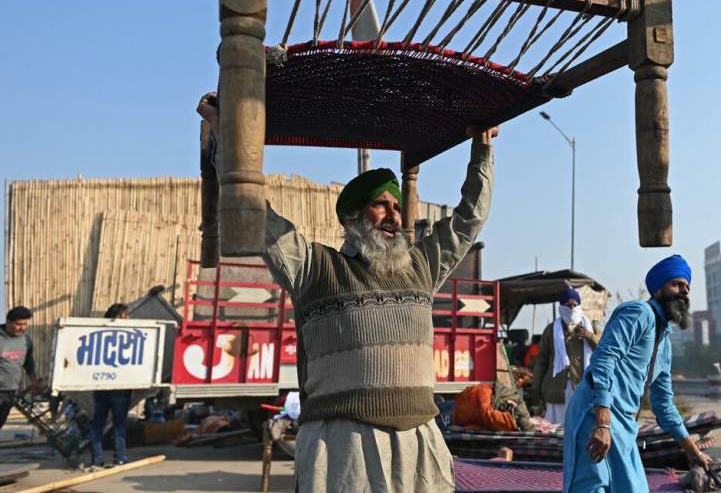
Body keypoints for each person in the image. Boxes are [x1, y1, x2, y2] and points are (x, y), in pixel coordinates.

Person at [198, 94, 497, 493]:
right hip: (343, 446)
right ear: (354, 218)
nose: (393, 215)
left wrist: (483, 151)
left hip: (420, 441)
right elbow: (256, 214)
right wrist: (225, 135)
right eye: (380, 205)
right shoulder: (317, 269)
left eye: (395, 205)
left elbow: (468, 221)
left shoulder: (421, 267)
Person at [563, 255, 711, 492]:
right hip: (596, 413)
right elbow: (604, 359)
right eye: (676, 284)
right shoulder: (639, 313)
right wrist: (602, 423)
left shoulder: (665, 344)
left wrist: (693, 452)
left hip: (624, 424)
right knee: (591, 486)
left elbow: (664, 405)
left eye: (687, 287)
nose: (683, 292)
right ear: (659, 288)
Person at [0, 307, 37, 490]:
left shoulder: (26, 341)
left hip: (10, 392)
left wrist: (34, 381)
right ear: (8, 322)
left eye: (25, 324)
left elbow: (29, 362)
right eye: (18, 324)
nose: (22, 328)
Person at [531, 288, 596, 425]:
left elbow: (602, 350)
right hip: (557, 390)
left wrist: (588, 336)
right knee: (557, 427)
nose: (571, 308)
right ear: (561, 307)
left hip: (582, 386)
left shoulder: (590, 329)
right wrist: (535, 391)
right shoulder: (551, 330)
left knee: (581, 426)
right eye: (568, 305)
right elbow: (541, 362)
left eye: (574, 305)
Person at [90, 303, 133, 468]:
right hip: (118, 389)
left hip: (102, 386)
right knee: (118, 424)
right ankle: (119, 457)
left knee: (99, 423)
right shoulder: (128, 336)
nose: (128, 318)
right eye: (125, 316)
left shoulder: (99, 333)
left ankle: (97, 458)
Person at [453, 366, 535, 432]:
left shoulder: (488, 393)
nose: (520, 384)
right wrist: (514, 423)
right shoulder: (484, 392)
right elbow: (487, 415)